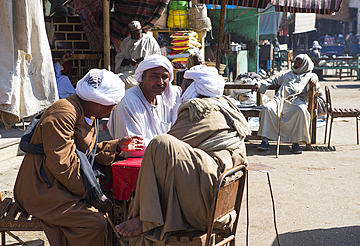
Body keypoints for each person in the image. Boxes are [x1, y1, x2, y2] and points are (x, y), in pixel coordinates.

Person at [115, 65, 250, 246]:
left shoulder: (199, 109)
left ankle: (146, 218)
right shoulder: (226, 105)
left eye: (184, 85)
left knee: (160, 144)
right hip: (225, 204)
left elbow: (167, 147)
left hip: (207, 204)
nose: (181, 90)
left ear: (193, 87)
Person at [14, 69, 144, 246]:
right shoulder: (64, 112)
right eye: (112, 104)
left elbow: (84, 151)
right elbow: (62, 163)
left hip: (62, 183)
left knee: (115, 202)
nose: (114, 108)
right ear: (99, 102)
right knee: (93, 223)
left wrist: (117, 146)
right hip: (42, 189)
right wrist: (93, 195)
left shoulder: (87, 112)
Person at [108, 54, 181, 157]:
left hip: (162, 157)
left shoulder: (166, 99)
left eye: (164, 77)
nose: (160, 82)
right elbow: (134, 148)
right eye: (154, 76)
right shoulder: (128, 102)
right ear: (142, 77)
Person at [253, 54, 320, 154]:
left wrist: (314, 83)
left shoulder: (310, 75)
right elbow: (273, 80)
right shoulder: (287, 74)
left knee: (301, 111)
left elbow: (316, 84)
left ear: (305, 64)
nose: (296, 64)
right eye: (295, 62)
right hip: (280, 100)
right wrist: (259, 84)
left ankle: (295, 143)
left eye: (299, 63)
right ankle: (265, 141)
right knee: (267, 108)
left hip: (297, 102)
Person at [115, 20, 161, 89]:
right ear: (130, 33)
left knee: (148, 80)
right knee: (120, 78)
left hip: (146, 71)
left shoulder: (150, 40)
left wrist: (145, 61)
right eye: (134, 34)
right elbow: (119, 60)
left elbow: (158, 58)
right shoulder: (126, 42)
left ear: (141, 30)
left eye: (138, 33)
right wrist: (129, 61)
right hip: (129, 72)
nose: (136, 35)